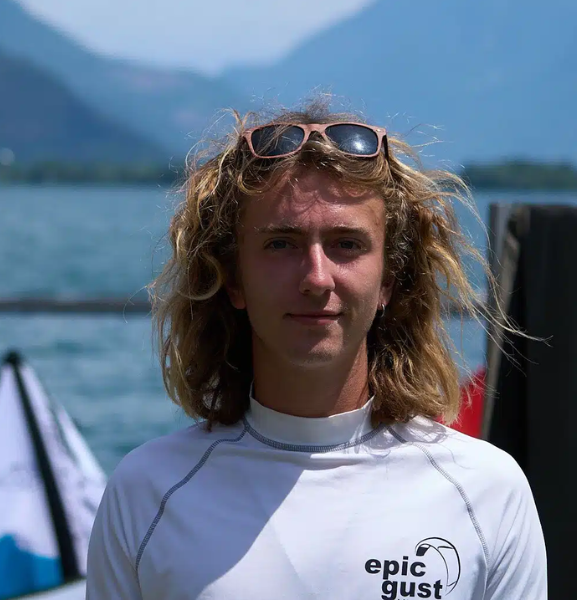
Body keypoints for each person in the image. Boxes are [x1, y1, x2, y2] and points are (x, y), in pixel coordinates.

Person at [85, 99, 547, 599]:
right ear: (233, 279)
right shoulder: (148, 493)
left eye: (347, 244)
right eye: (281, 244)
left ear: (389, 279)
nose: (316, 278)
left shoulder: (485, 490)